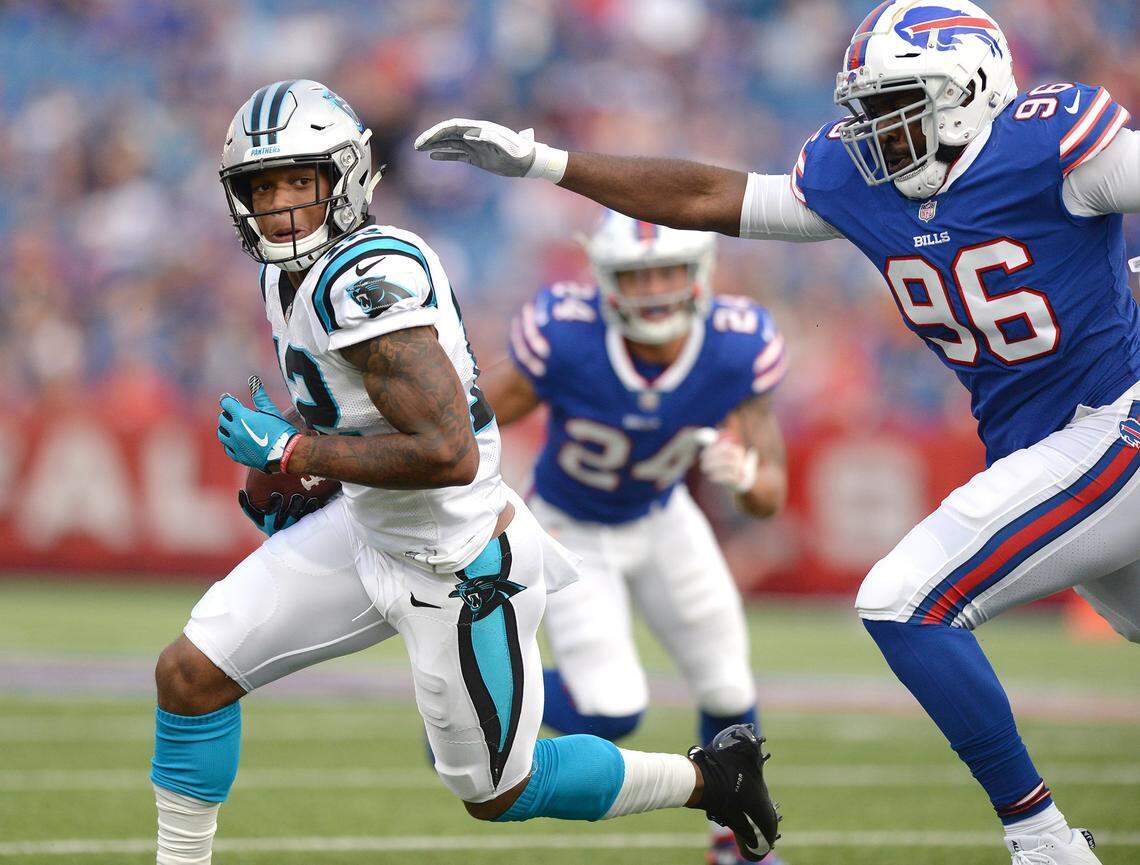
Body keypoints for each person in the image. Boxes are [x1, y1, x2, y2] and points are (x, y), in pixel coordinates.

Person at [415, 3, 1140, 863]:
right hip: (1041, 445)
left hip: (1113, 419)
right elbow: (707, 195)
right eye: (865, 108)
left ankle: (1044, 839)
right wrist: (548, 161)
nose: (872, 129)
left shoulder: (1052, 143)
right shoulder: (860, 181)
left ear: (967, 92)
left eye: (896, 103)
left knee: (905, 598)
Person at [147, 80, 781, 865]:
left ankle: (711, 776)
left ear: (343, 178)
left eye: (297, 182)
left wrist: (293, 454)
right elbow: (356, 402)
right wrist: (305, 457)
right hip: (369, 528)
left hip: (459, 562)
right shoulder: (293, 271)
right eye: (261, 186)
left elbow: (451, 452)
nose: (279, 207)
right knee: (189, 674)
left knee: (499, 793)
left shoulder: (368, 278)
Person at [480, 211, 788, 865]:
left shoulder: (738, 344)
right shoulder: (567, 334)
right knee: (612, 708)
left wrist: (747, 476)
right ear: (605, 281)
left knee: (729, 685)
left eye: (667, 272)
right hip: (572, 526)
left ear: (699, 274)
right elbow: (471, 422)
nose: (653, 291)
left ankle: (735, 849)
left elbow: (770, 499)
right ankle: (486, 705)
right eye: (636, 276)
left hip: (663, 515)